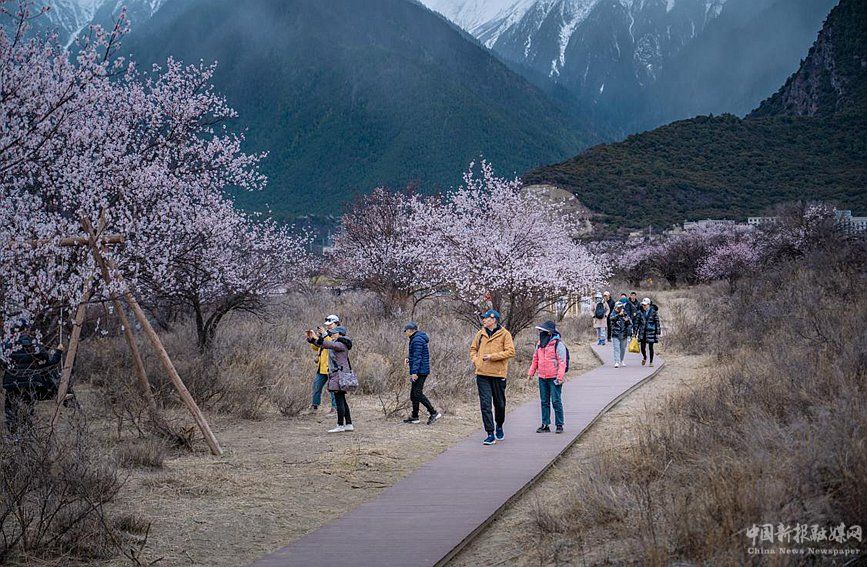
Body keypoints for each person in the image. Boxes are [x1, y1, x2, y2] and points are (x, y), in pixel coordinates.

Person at [2, 319, 64, 435]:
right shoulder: (33, 344)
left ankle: (13, 435)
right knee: (27, 409)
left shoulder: (5, 345)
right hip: (30, 382)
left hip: (11, 383)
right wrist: (58, 352)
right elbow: (47, 363)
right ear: (26, 329)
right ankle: (28, 436)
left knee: (10, 410)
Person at [469, 309, 515, 446]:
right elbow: (473, 349)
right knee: (485, 405)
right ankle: (490, 433)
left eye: (486, 318)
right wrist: (476, 361)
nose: (483, 320)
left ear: (493, 320)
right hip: (482, 374)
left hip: (498, 374)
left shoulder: (505, 334)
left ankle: (499, 425)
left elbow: (511, 352)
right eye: (483, 318)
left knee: (499, 404)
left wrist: (492, 357)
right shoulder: (480, 334)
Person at [306, 325, 354, 433]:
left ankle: (340, 425)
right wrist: (312, 339)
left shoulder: (341, 344)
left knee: (339, 400)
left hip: (339, 375)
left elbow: (328, 344)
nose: (332, 334)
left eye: (334, 333)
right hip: (339, 375)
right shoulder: (339, 343)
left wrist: (323, 335)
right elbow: (324, 345)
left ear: (340, 334)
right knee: (342, 400)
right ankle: (349, 424)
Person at [527, 321, 566, 434]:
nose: (540, 333)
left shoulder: (558, 344)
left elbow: (562, 362)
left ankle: (559, 424)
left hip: (554, 377)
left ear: (549, 332)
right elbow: (535, 359)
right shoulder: (539, 344)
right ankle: (545, 424)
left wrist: (560, 377)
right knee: (544, 401)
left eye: (542, 331)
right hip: (542, 377)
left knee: (556, 401)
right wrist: (531, 373)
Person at [402, 322, 441, 425]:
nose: (405, 333)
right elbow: (414, 355)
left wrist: (414, 372)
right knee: (413, 394)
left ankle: (433, 412)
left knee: (417, 393)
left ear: (411, 330)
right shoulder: (415, 339)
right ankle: (415, 417)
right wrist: (408, 358)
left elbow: (418, 358)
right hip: (419, 370)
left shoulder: (417, 340)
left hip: (420, 371)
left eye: (406, 331)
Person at [308, 314, 339, 413]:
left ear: (336, 323)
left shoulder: (338, 333)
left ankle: (335, 407)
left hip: (332, 366)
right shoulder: (325, 334)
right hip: (322, 366)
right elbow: (317, 347)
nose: (328, 326)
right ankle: (314, 405)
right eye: (328, 324)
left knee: (333, 388)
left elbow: (332, 344)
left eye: (330, 324)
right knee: (316, 385)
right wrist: (312, 339)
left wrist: (324, 335)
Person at [636, 298, 661, 367]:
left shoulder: (653, 312)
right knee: (642, 348)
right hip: (642, 331)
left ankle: (651, 362)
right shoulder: (640, 312)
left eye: (645, 305)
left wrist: (658, 332)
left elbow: (657, 322)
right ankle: (644, 357)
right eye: (643, 305)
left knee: (651, 347)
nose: (644, 306)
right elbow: (637, 323)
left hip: (651, 331)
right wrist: (634, 332)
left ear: (649, 305)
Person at [609, 302, 633, 368]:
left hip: (624, 334)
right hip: (615, 334)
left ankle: (621, 360)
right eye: (618, 307)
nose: (620, 309)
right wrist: (619, 315)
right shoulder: (613, 313)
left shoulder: (625, 313)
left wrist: (627, 320)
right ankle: (617, 361)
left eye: (621, 307)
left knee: (622, 349)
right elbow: (611, 320)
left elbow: (630, 323)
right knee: (616, 348)